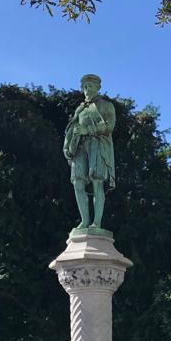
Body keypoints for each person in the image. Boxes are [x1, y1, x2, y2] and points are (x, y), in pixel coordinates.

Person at [63, 73, 116, 230]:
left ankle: (96, 222)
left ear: (98, 88)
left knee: (97, 181)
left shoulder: (106, 106)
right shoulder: (81, 108)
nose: (87, 90)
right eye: (85, 87)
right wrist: (66, 146)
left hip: (97, 145)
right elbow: (72, 128)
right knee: (77, 182)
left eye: (90, 86)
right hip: (79, 147)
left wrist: (89, 130)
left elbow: (109, 126)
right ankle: (85, 221)